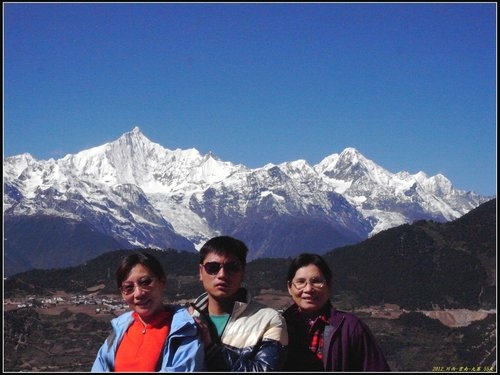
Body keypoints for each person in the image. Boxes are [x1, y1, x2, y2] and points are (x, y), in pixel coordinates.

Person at [91, 251, 205, 372]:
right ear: (122, 293)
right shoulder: (119, 331)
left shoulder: (185, 331)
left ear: (162, 281)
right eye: (129, 288)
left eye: (145, 282)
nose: (138, 293)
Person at [189, 235, 288, 371]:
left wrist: (211, 348)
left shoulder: (269, 320)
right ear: (201, 272)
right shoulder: (185, 318)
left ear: (242, 273)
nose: (222, 274)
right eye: (212, 267)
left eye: (232, 267)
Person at [283, 253, 390, 372]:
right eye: (301, 282)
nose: (308, 289)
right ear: (289, 287)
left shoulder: (350, 328)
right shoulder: (278, 326)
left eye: (316, 281)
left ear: (329, 285)